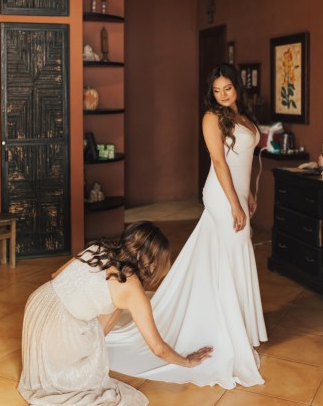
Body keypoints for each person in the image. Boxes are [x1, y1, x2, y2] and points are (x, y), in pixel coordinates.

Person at [106, 63, 267, 389]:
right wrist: (235, 203)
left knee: (234, 257)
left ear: (237, 88)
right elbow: (220, 162)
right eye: (217, 90)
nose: (223, 95)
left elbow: (242, 162)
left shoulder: (244, 117)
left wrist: (247, 193)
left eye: (228, 89)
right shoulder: (211, 118)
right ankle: (230, 333)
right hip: (221, 197)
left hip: (236, 193)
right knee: (231, 256)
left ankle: (241, 329)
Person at [17, 221, 213, 406]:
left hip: (37, 306)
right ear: (151, 260)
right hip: (57, 328)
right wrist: (187, 362)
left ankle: (85, 338)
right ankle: (86, 347)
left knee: (112, 305)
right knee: (113, 310)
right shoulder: (132, 289)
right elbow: (158, 348)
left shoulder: (97, 249)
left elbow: (56, 275)